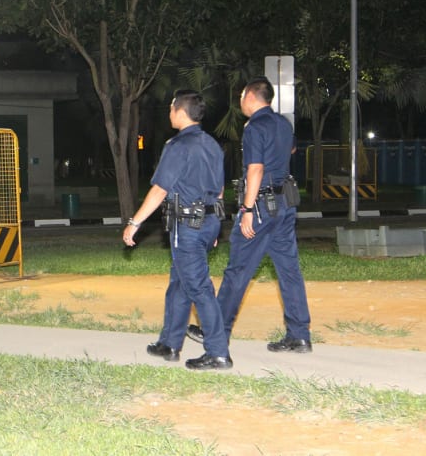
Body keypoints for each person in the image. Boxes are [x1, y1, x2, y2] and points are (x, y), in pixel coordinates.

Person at [187, 77, 312, 353]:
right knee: (289, 271)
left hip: (261, 207)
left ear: (252, 97)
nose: (240, 101)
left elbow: (254, 170)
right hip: (285, 205)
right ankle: (299, 335)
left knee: (237, 271)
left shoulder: (254, 127)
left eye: (242, 96)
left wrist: (246, 209)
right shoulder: (283, 124)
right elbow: (290, 148)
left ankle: (216, 332)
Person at [123, 90, 232, 370]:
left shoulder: (177, 146)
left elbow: (160, 189)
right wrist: (215, 229)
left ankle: (218, 352)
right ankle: (170, 344)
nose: (169, 112)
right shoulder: (212, 145)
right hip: (207, 223)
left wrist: (134, 223)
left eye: (171, 108)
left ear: (180, 111)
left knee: (198, 286)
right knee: (179, 285)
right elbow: (219, 190)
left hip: (187, 226)